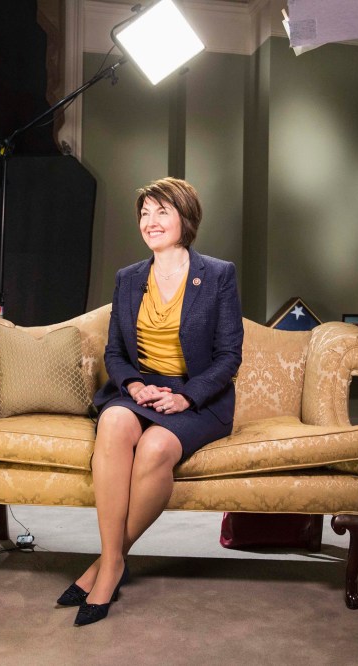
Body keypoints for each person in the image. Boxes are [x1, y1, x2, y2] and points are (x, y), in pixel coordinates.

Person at [58, 177, 244, 626]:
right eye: (145, 213)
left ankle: (105, 566)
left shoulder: (218, 275)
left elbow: (229, 356)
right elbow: (115, 353)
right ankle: (113, 562)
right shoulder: (128, 279)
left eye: (162, 211)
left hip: (199, 398)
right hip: (141, 390)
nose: (151, 221)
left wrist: (185, 396)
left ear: (186, 218)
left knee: (156, 446)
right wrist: (134, 386)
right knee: (114, 423)